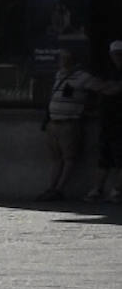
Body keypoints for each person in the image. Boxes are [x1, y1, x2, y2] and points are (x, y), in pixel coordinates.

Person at [38, 48, 121, 201]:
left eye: (66, 58)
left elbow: (104, 88)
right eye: (62, 58)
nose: (62, 61)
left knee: (69, 158)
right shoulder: (59, 74)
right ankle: (51, 188)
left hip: (69, 123)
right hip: (54, 123)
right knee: (56, 159)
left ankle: (59, 189)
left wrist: (115, 87)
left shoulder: (83, 77)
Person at [85, 40, 122, 203]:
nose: (118, 57)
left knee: (120, 157)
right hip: (106, 119)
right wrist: (108, 86)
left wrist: (107, 87)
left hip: (120, 120)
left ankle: (117, 191)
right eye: (115, 54)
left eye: (120, 54)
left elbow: (114, 89)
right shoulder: (106, 70)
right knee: (104, 156)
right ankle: (97, 189)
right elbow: (92, 84)